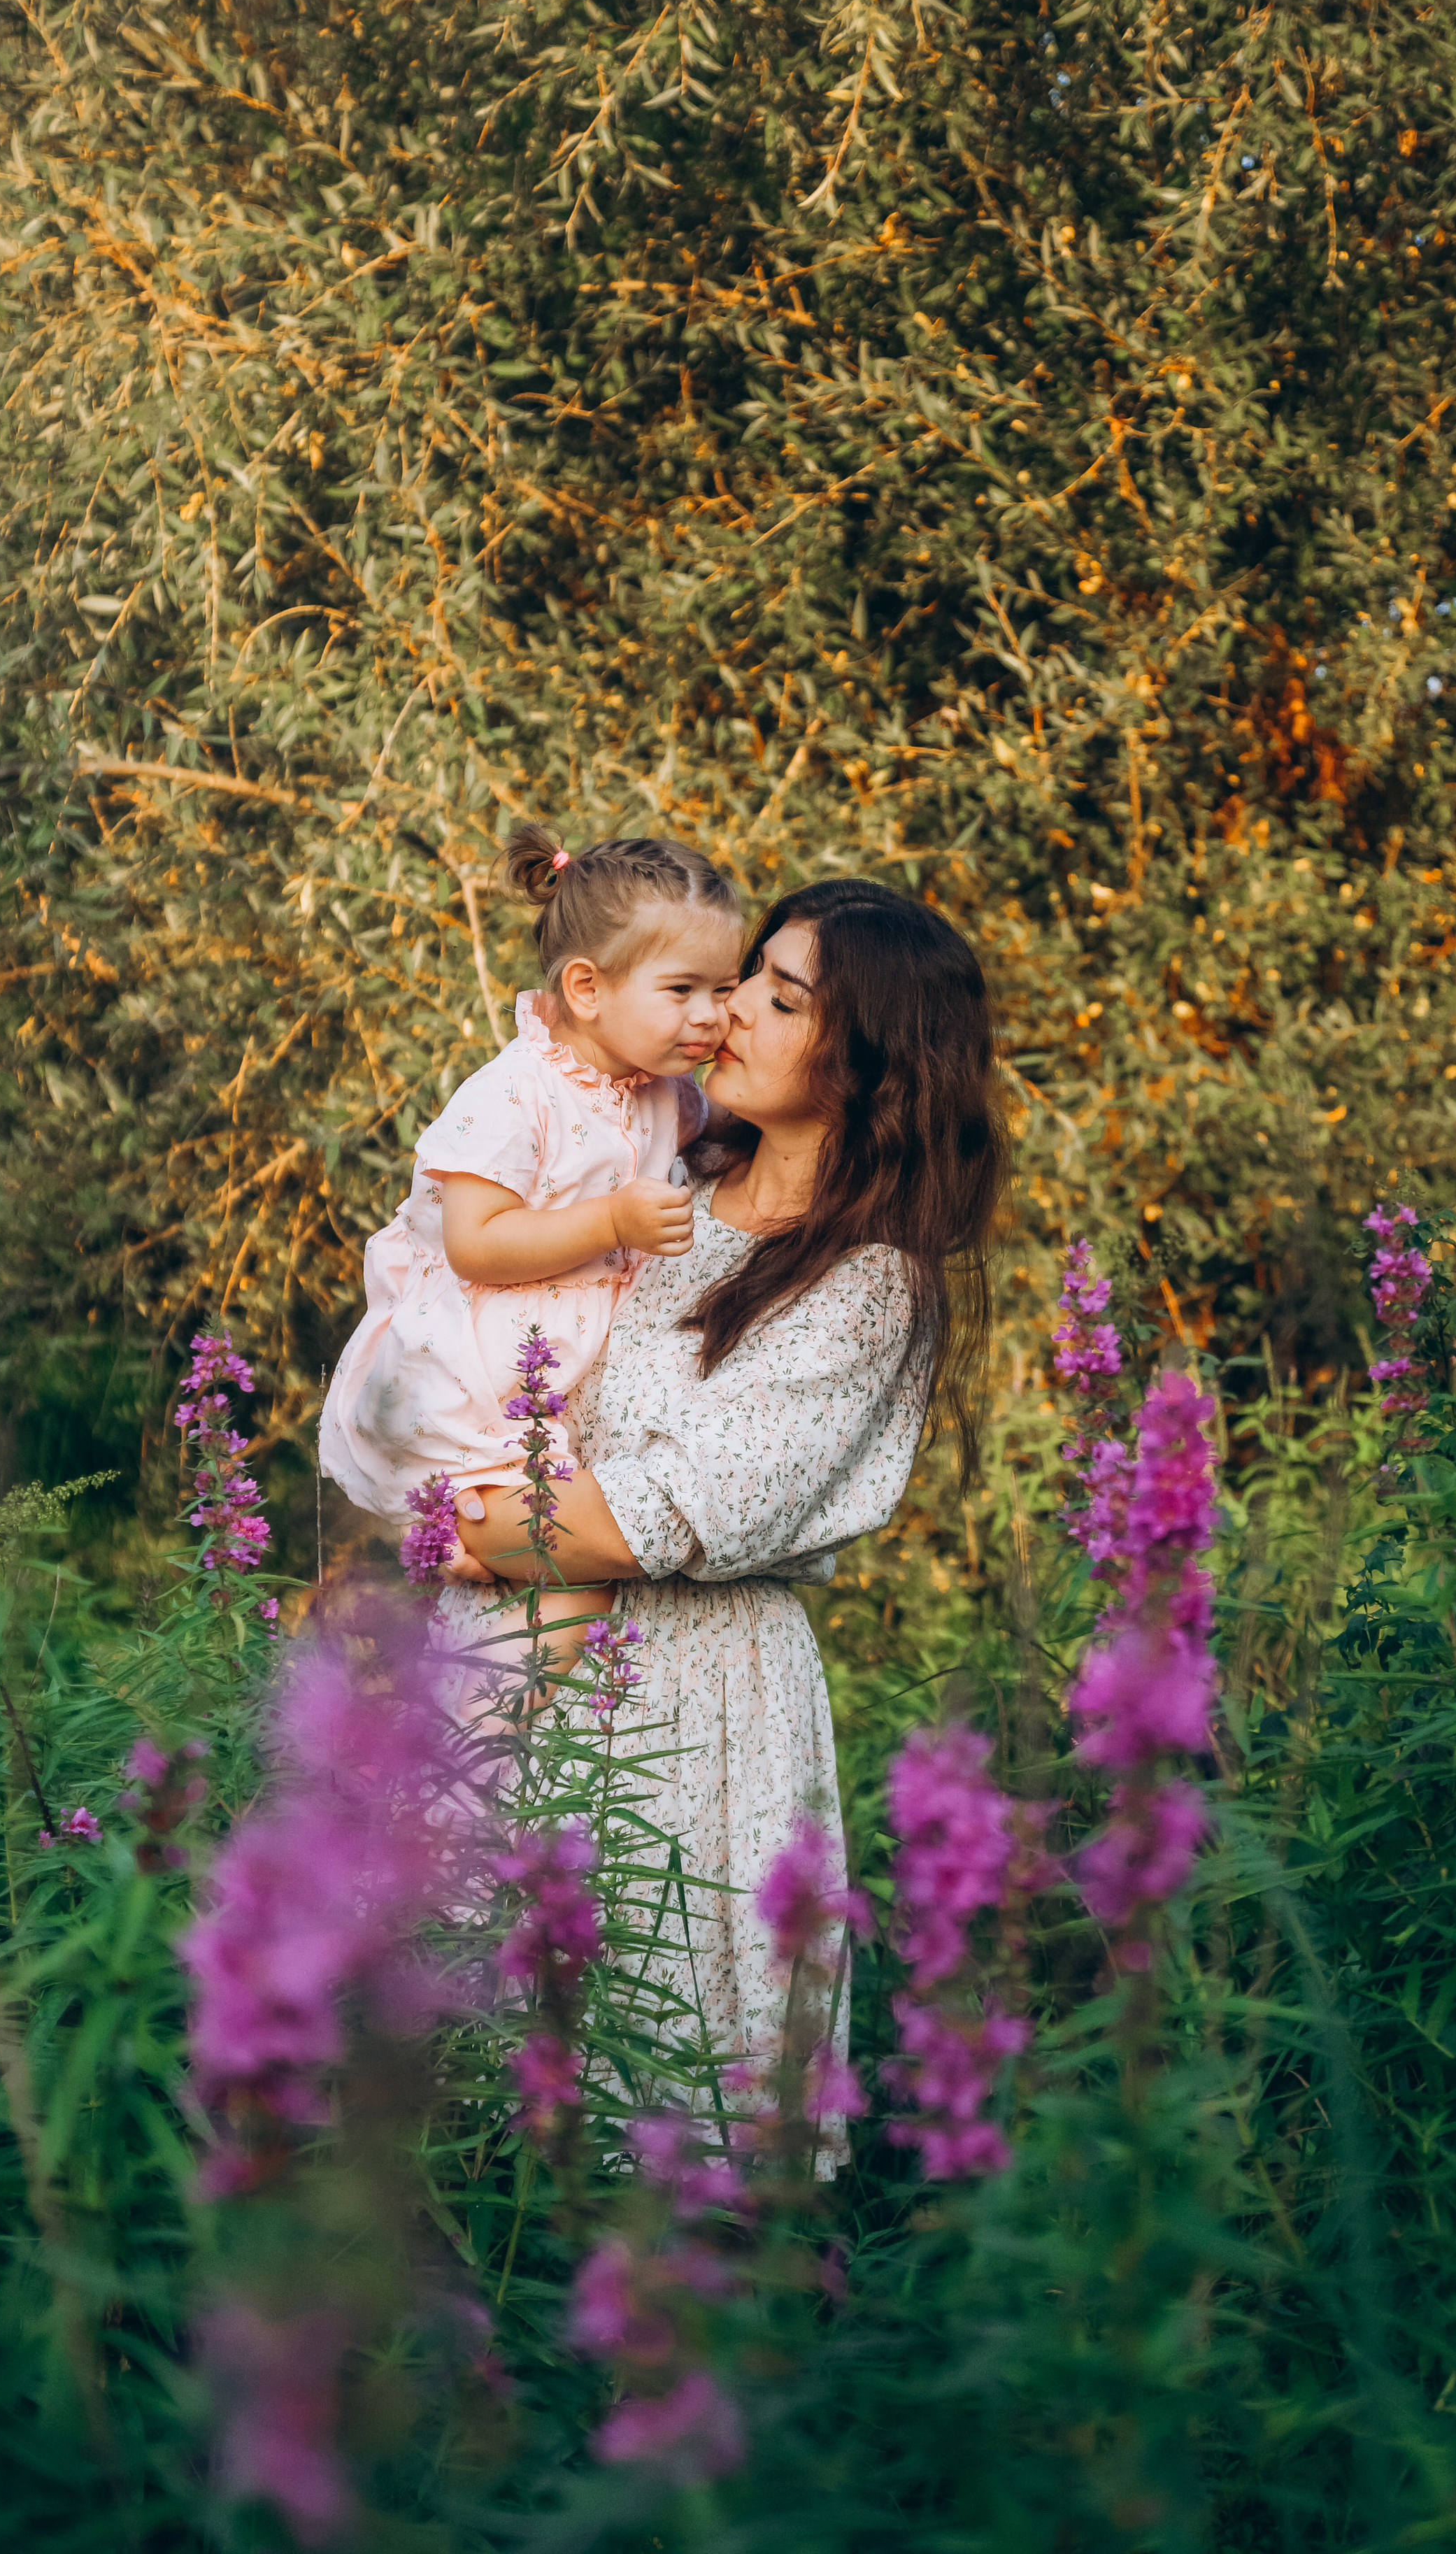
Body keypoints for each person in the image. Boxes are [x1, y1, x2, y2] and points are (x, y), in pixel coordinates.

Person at [441, 877, 1007, 2150]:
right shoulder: (661, 1184)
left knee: (672, 2085)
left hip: (695, 1707)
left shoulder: (869, 1286)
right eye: (747, 977)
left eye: (782, 996)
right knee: (488, 2091)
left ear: (871, 1063)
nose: (733, 1007)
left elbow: (633, 1523)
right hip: (517, 1654)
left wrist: (447, 1534)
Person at [319, 825, 743, 1654]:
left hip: (557, 1382)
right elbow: (474, 1243)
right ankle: (466, 1744)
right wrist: (610, 1222)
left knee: (572, 1584)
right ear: (585, 986)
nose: (711, 1015)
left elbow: (716, 1132)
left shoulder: (658, 1086)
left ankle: (480, 1728)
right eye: (684, 989)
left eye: (725, 989)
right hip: (478, 1380)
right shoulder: (514, 1094)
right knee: (575, 1579)